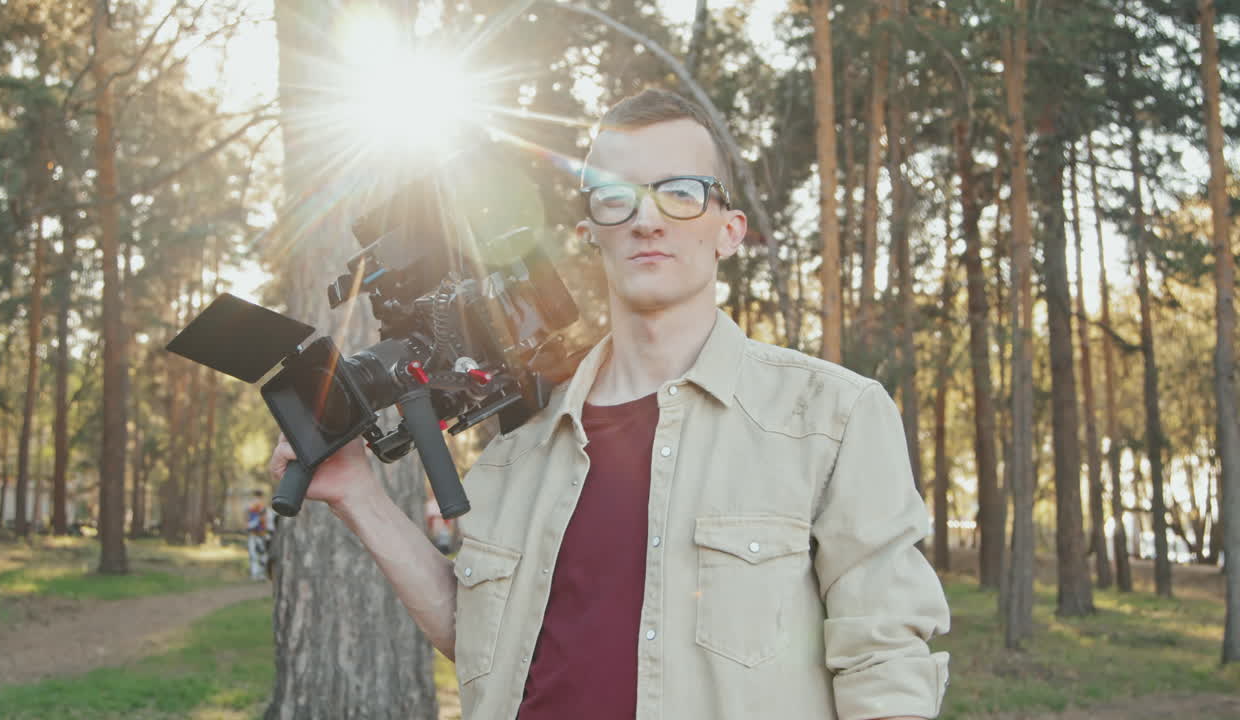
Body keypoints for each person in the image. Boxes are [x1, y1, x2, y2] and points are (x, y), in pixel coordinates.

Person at [270, 88, 950, 720]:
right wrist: (360, 495)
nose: (647, 218)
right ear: (591, 228)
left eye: (680, 193)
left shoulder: (832, 419)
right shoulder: (522, 444)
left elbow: (885, 664)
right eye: (616, 197)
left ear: (729, 229)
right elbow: (485, 644)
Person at [245, 489, 270, 581]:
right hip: (254, 533)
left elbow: (263, 520)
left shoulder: (262, 507)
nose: (256, 499)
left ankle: (261, 574)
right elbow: (249, 520)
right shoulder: (252, 507)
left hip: (260, 534)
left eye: (258, 497)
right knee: (254, 554)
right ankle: (256, 574)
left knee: (261, 554)